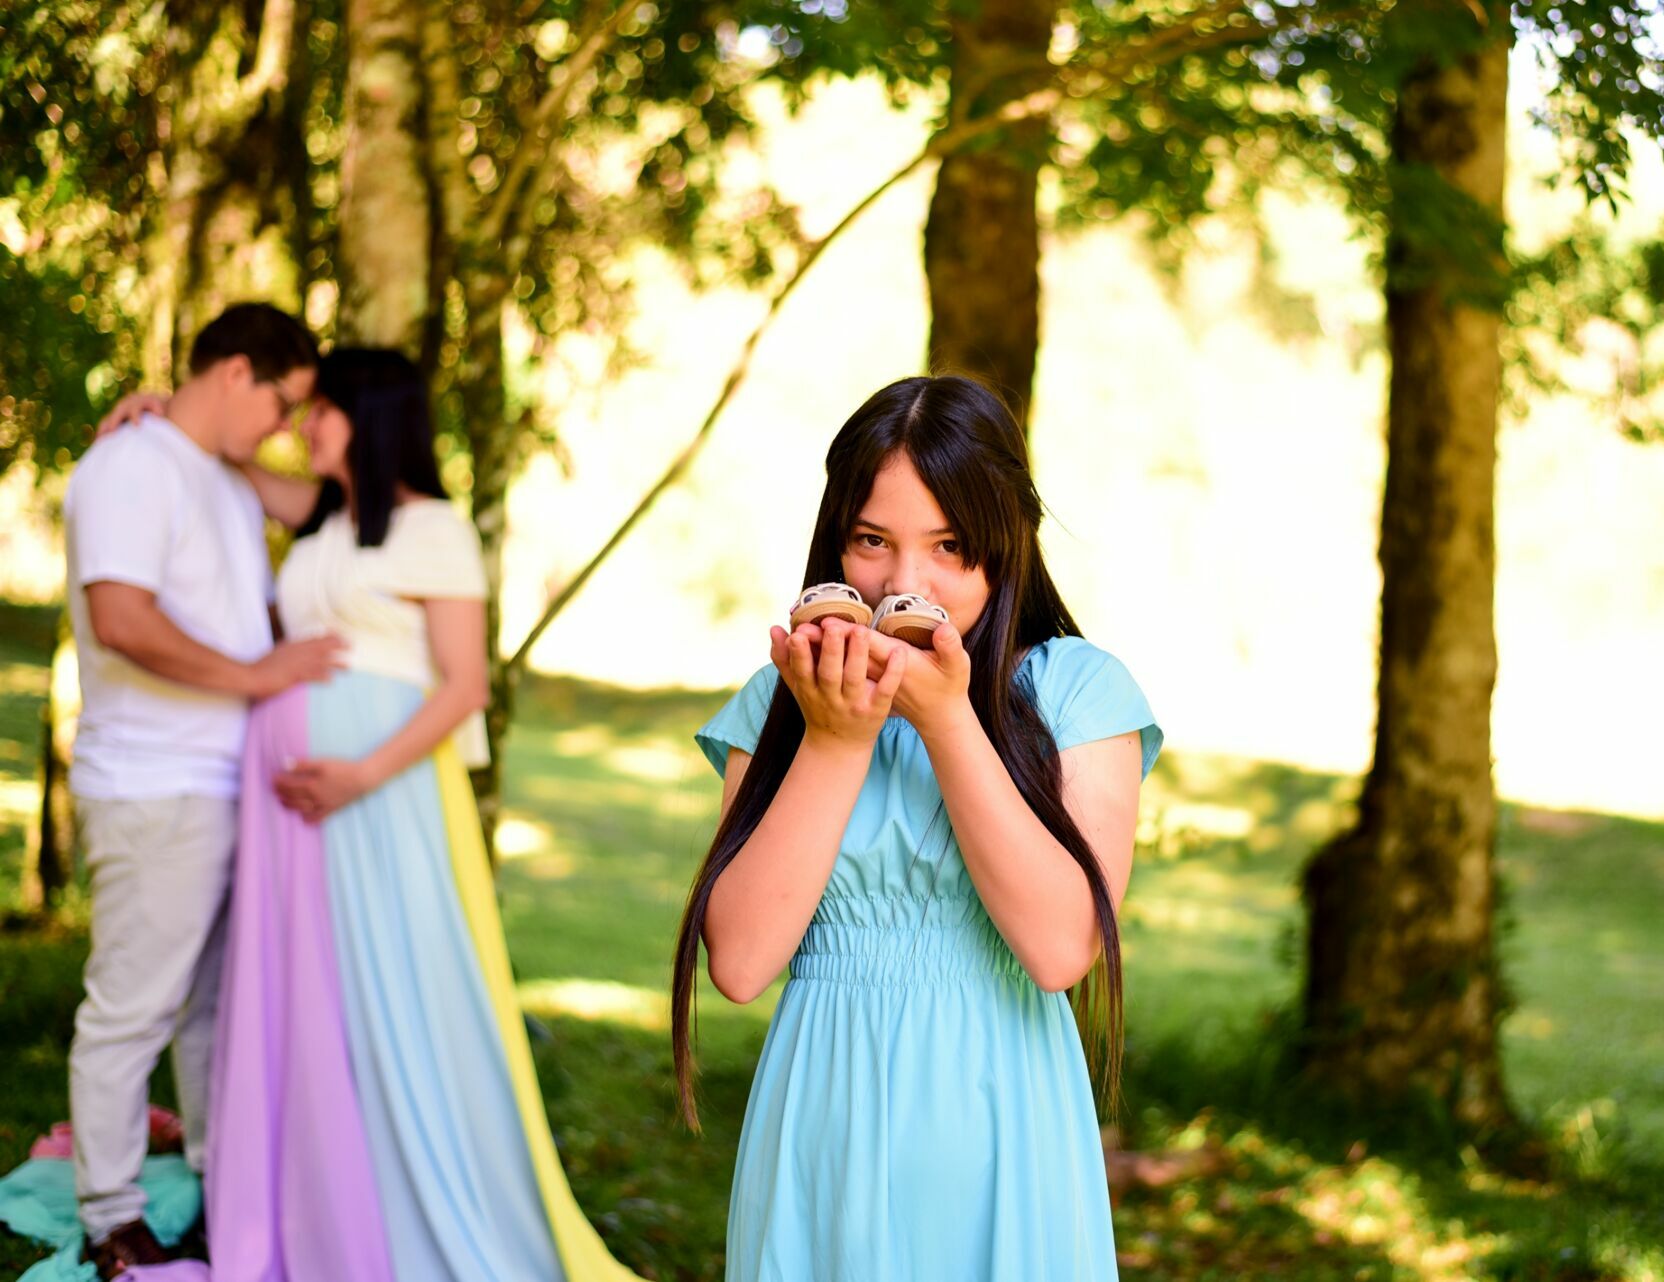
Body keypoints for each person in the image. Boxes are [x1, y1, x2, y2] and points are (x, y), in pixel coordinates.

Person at [94, 349, 640, 1282]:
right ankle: (316, 1202)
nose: (304, 426)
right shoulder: (326, 520)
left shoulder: (435, 529)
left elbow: (464, 685)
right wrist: (164, 411)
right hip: (297, 819)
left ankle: (407, 1211)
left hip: (382, 801)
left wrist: (359, 774)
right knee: (312, 1001)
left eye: (323, 412)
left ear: (371, 416)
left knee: (396, 998)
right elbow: (223, 454)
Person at [673, 374, 1163, 1280]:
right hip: (820, 1126)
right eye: (872, 541)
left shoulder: (1079, 694)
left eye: (949, 547)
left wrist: (945, 721)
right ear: (835, 540)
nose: (906, 584)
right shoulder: (784, 704)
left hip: (1002, 1133)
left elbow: (1061, 949)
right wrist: (836, 738)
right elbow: (740, 963)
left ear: (1004, 545)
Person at [61, 303, 344, 1277]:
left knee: (219, 1009)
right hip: (152, 784)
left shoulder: (216, 473)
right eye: (279, 400)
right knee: (133, 1008)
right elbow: (123, 619)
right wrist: (261, 672)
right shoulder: (129, 466)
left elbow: (333, 503)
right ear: (233, 371)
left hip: (227, 785)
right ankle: (110, 1216)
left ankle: (229, 1191)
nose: (279, 423)